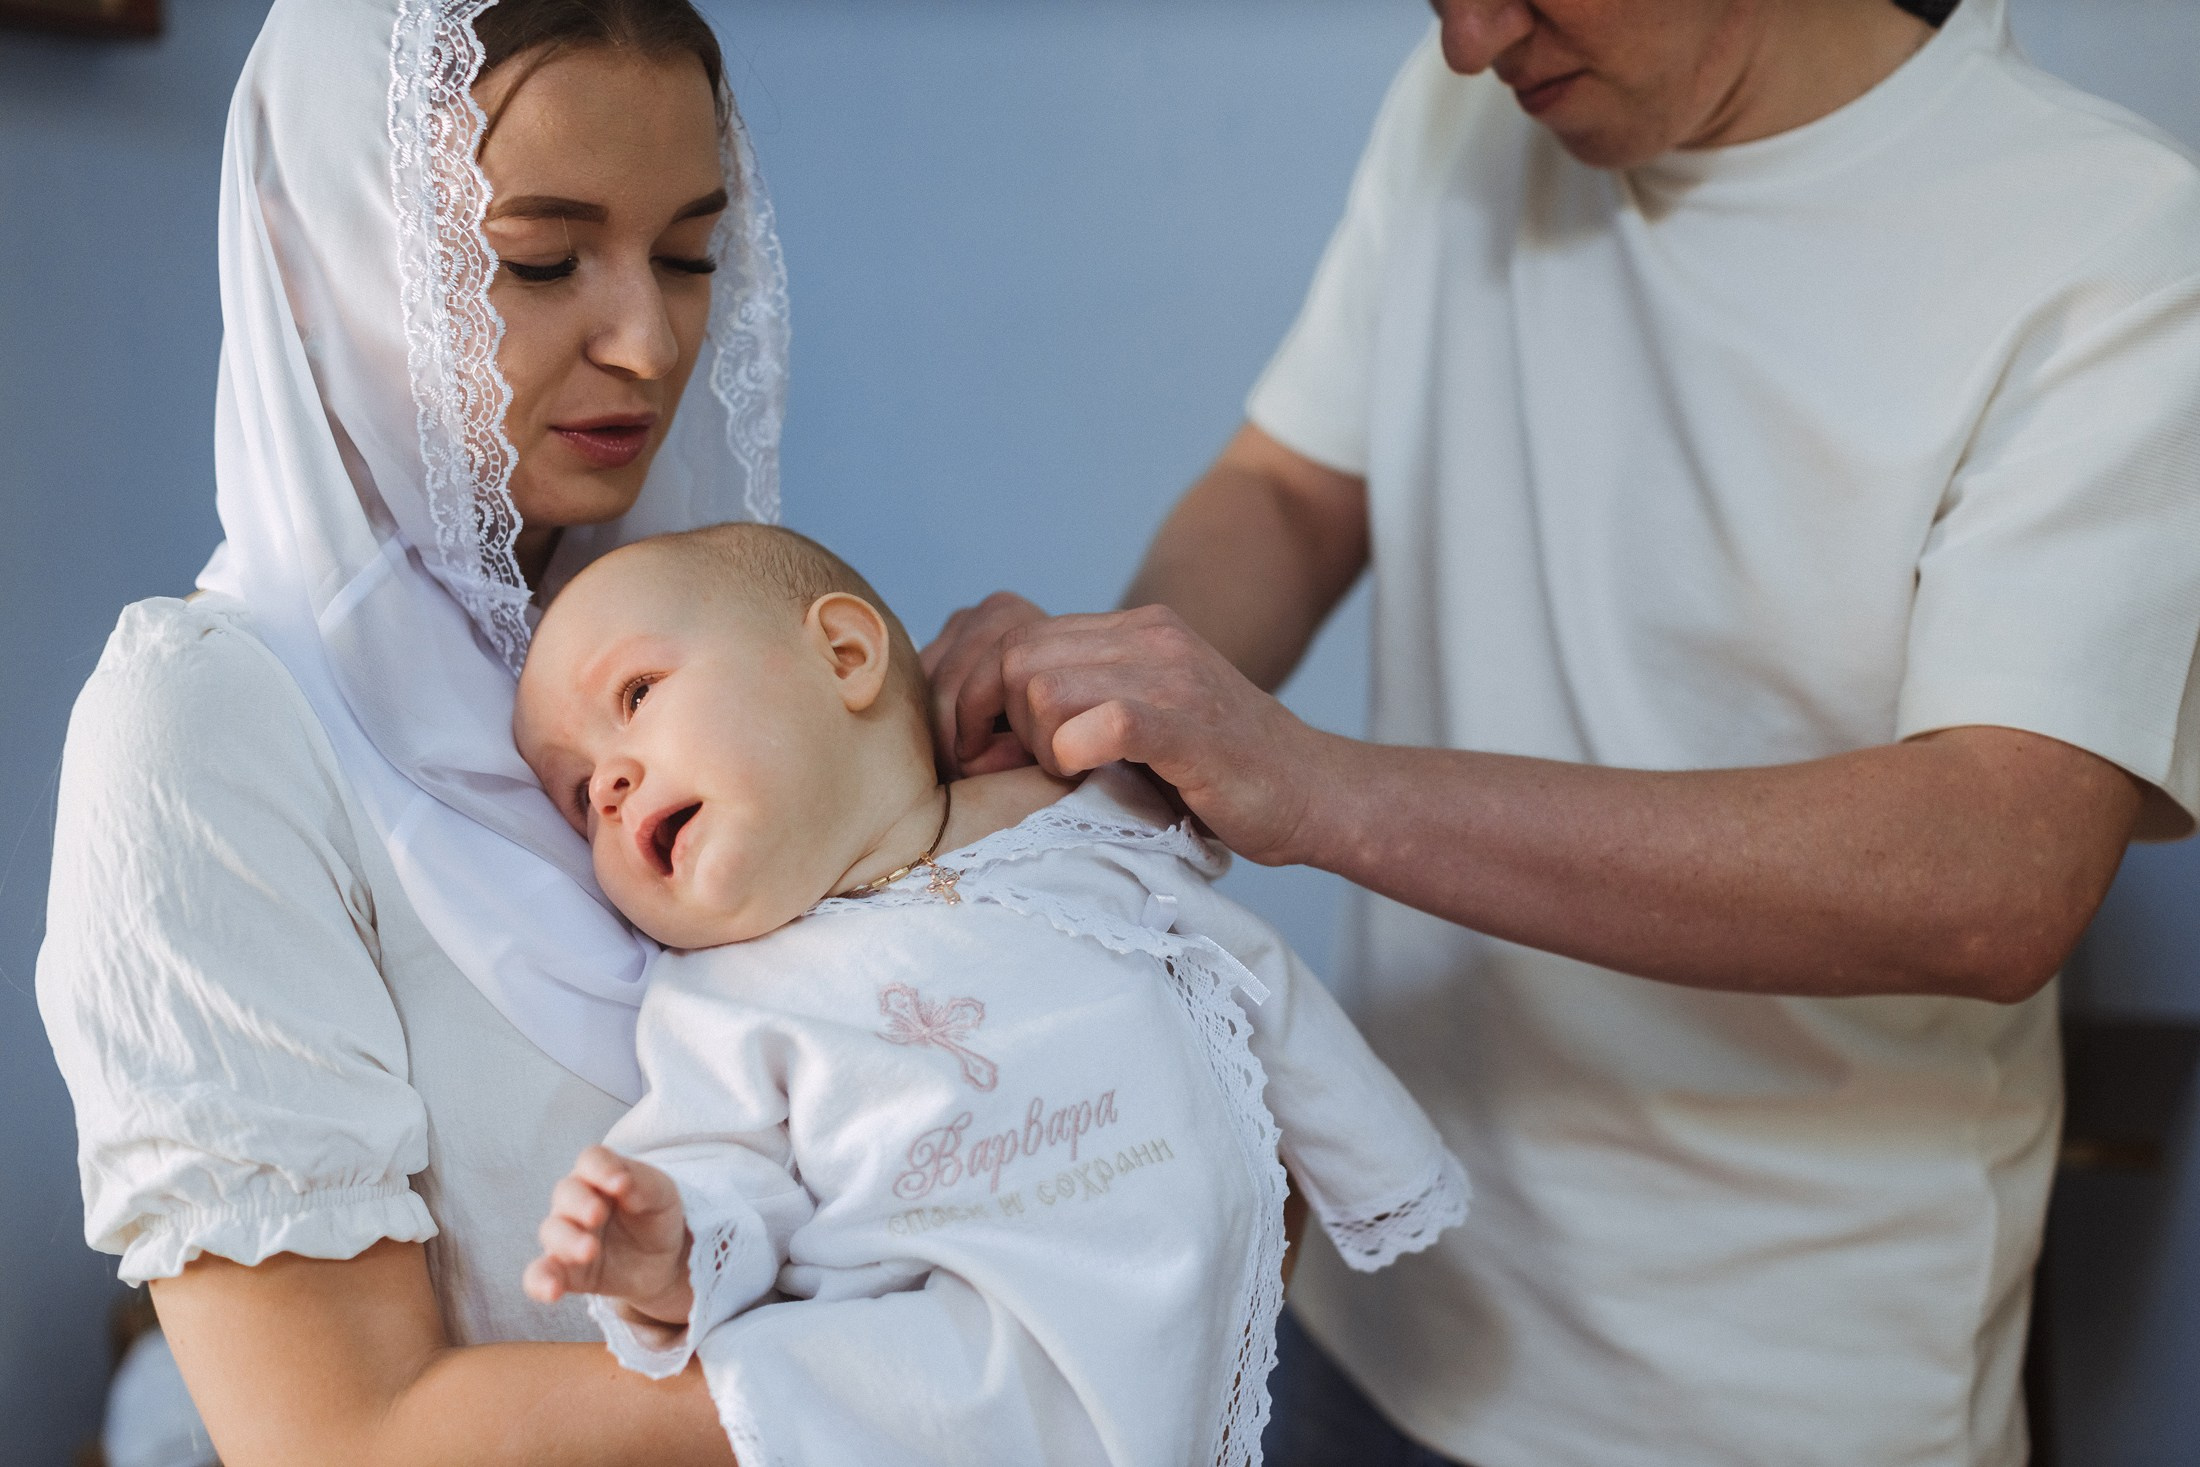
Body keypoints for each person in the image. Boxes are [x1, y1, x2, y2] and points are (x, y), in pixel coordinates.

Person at [922, 1, 2200, 1463]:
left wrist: (1320, 790)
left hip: (1779, 1398)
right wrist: (1105, 712)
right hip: (1372, 1297)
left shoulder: (2112, 240)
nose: (1472, 39)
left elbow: (1995, 871)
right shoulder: (1470, 109)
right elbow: (1289, 487)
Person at [38, 0, 793, 1461]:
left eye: (694, 252)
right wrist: (963, 1373)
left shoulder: (712, 666)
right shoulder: (205, 730)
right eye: (540, 258)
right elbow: (341, 1434)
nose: (646, 341)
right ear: (309, 248)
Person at [508, 523, 1466, 1466]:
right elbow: (729, 1178)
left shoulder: (1072, 819)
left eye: (637, 694)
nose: (610, 785)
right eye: (578, 788)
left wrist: (1376, 1163)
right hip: (947, 1380)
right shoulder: (718, 1000)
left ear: (844, 654)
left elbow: (1239, 973)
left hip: (1185, 1323)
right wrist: (666, 1247)